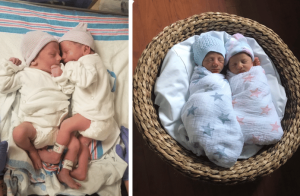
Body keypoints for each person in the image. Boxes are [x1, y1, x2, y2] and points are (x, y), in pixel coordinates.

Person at [38, 23, 121, 183]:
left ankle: (55, 155)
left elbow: (86, 80)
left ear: (86, 49)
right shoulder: (82, 66)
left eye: (66, 52)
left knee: (66, 126)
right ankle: (75, 170)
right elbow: (70, 89)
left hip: (95, 116)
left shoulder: (90, 61)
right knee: (80, 143)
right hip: (101, 121)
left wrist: (68, 67)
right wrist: (60, 77)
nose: (63, 57)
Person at [0, 31, 82, 189]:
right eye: (53, 54)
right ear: (34, 60)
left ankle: (65, 171)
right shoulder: (25, 74)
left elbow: (69, 91)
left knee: (75, 145)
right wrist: (10, 66)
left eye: (59, 54)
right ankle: (32, 151)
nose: (59, 58)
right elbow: (3, 86)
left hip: (58, 130)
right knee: (18, 133)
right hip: (35, 128)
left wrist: (60, 78)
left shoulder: (59, 73)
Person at [180, 33, 244, 168]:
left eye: (220, 59)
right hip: (201, 102)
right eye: (209, 59)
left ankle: (224, 147)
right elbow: (198, 89)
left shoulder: (226, 75)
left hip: (221, 105)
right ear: (200, 61)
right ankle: (206, 142)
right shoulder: (200, 75)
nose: (215, 63)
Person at [225, 33, 283, 145]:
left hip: (260, 104)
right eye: (234, 64)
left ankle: (265, 129)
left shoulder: (256, 71)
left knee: (264, 107)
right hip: (241, 106)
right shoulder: (230, 78)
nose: (239, 66)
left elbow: (261, 81)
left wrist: (257, 68)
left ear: (251, 62)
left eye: (244, 62)